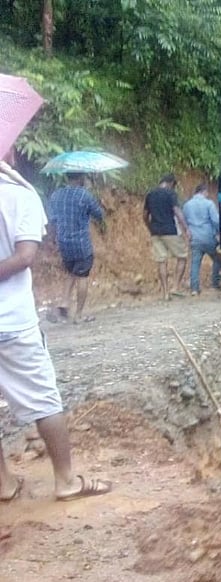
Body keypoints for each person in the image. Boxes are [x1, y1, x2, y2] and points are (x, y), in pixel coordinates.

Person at [0, 156, 112, 502]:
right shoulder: (20, 193)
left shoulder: (48, 196)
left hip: (63, 246)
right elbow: (25, 255)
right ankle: (65, 480)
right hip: (11, 320)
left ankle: (3, 484)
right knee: (45, 399)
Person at [48, 172, 105, 323]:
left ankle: (64, 304)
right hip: (81, 243)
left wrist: (53, 241)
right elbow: (99, 215)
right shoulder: (84, 195)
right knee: (82, 276)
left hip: (63, 242)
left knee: (70, 272)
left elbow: (52, 221)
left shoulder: (56, 195)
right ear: (81, 178)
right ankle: (79, 315)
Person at [144, 173, 190, 300]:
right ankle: (175, 287)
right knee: (182, 256)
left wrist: (150, 227)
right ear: (171, 183)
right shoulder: (170, 194)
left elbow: (145, 215)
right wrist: (186, 228)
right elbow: (177, 211)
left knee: (161, 261)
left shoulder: (150, 194)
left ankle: (165, 293)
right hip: (170, 231)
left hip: (155, 232)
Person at [182, 182, 221, 295]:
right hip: (208, 237)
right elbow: (215, 221)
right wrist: (218, 233)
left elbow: (183, 220)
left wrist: (186, 233)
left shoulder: (187, 205)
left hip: (194, 238)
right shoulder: (209, 204)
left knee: (195, 263)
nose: (208, 194)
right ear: (204, 191)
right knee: (217, 259)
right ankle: (215, 283)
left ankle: (194, 288)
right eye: (207, 192)